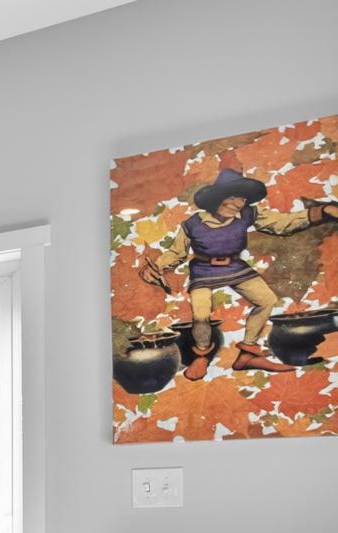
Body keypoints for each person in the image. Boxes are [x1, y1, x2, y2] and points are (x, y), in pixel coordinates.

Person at [141, 157, 338, 378]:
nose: (237, 204)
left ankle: (247, 355)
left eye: (242, 199)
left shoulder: (248, 214)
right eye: (232, 197)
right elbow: (176, 253)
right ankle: (202, 356)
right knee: (201, 315)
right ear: (217, 198)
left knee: (267, 300)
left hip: (236, 267)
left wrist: (323, 212)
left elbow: (282, 224)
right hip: (204, 270)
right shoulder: (193, 224)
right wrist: (157, 267)